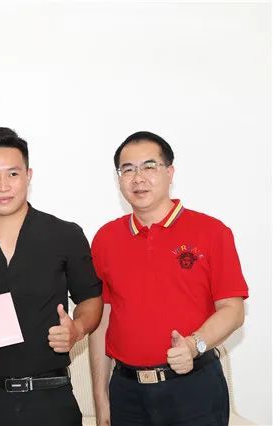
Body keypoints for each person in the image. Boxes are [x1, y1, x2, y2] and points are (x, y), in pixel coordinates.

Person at [0, 127, 103, 426]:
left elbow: (91, 298)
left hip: (51, 399)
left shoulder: (65, 235)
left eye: (12, 174)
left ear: (28, 175)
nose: (3, 186)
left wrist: (77, 329)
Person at [89, 131, 249, 426]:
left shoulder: (212, 232)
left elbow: (233, 310)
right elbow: (101, 319)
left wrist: (193, 345)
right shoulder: (105, 239)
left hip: (193, 389)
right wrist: (101, 400)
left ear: (170, 172)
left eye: (149, 166)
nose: (138, 178)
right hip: (126, 392)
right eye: (128, 169)